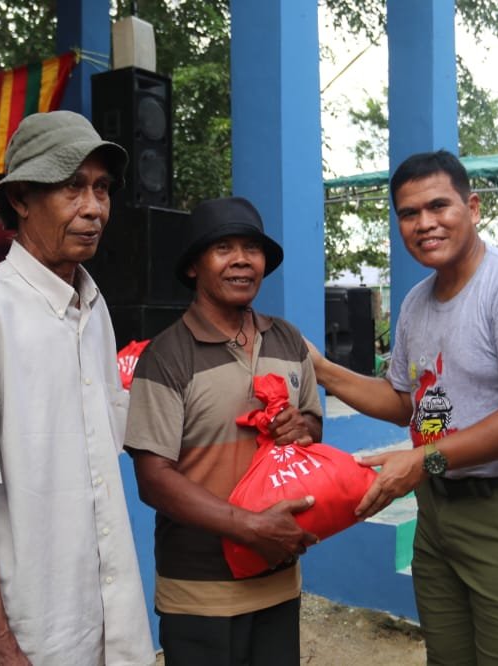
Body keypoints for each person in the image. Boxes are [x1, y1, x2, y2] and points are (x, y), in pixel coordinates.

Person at [308, 150, 498, 665]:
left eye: (439, 206)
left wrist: (421, 461)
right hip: (440, 510)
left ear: (474, 207)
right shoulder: (417, 301)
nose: (425, 224)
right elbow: (404, 403)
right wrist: (321, 369)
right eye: (409, 213)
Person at [0, 111, 153, 665]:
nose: (94, 208)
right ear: (21, 199)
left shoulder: (93, 309)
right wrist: (0, 645)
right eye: (72, 187)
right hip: (28, 636)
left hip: (99, 622)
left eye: (101, 189)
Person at [123, 196, 323, 666]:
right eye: (223, 248)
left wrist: (303, 427)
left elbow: (314, 424)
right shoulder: (167, 356)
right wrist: (251, 527)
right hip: (200, 592)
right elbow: (153, 478)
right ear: (194, 265)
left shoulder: (289, 340)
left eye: (251, 248)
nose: (241, 260)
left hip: (278, 579)